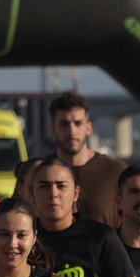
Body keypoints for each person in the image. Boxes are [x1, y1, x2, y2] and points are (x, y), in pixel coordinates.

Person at [48, 93, 127, 227]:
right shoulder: (40, 174)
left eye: (78, 123)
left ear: (89, 128)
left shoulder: (116, 172)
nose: (72, 131)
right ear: (52, 129)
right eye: (64, 124)